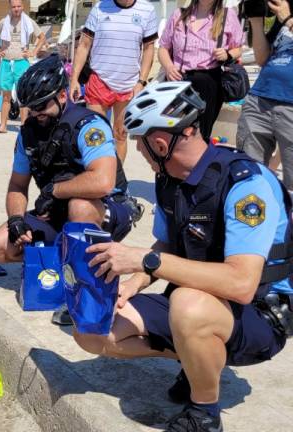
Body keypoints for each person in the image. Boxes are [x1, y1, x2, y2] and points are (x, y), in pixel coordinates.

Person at [74, 81, 292, 432]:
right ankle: (197, 361)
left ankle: (204, 414)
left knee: (188, 304)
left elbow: (242, 284)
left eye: (140, 143)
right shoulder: (170, 181)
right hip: (198, 302)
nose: (140, 152)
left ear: (160, 144)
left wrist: (145, 260)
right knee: (93, 329)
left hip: (260, 313)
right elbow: (165, 247)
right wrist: (131, 286)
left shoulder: (245, 184)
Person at [0, 56, 142, 324]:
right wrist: (16, 220)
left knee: (79, 206)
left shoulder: (88, 126)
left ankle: (84, 289)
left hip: (106, 208)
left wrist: (54, 190)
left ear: (61, 96)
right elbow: (17, 185)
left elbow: (103, 181)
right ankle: (62, 264)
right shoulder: (28, 133)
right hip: (56, 210)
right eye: (31, 107)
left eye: (42, 105)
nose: (36, 113)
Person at [69, 0, 158, 163]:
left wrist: (142, 82)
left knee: (120, 134)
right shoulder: (99, 8)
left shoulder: (147, 9)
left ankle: (117, 176)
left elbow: (149, 49)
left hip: (129, 84)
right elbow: (84, 44)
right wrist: (74, 78)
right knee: (95, 134)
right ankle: (97, 173)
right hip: (99, 81)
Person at [158, 0, 243, 142]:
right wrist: (168, 67)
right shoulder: (178, 15)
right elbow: (163, 48)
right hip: (178, 81)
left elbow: (238, 48)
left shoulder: (228, 15)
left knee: (200, 137)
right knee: (173, 136)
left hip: (209, 84)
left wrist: (227, 54)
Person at [237, 0, 293, 193]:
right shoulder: (284, 13)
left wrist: (288, 19)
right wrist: (255, 19)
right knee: (247, 177)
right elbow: (262, 59)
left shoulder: (286, 15)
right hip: (259, 99)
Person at [0, 0, 46, 134]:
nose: (16, 9)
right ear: (10, 7)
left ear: (22, 7)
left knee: (22, 97)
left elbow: (42, 37)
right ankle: (3, 126)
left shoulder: (28, 21)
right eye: (14, 6)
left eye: (19, 6)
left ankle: (24, 126)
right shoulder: (4, 21)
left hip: (21, 62)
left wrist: (33, 52)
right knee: (6, 96)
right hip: (6, 62)